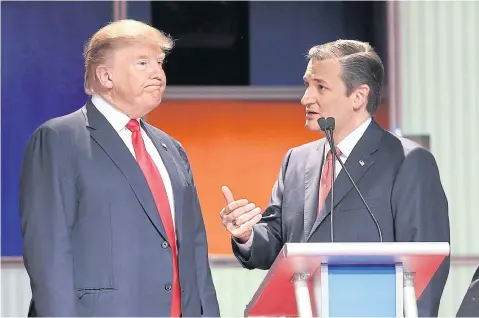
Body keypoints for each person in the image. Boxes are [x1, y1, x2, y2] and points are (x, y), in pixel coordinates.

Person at [219, 39, 450, 317]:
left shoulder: (408, 161)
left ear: (358, 96)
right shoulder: (297, 160)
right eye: (307, 84)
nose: (306, 98)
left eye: (320, 87)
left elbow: (426, 271)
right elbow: (273, 244)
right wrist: (245, 235)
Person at [19, 19, 219, 317]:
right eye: (142, 62)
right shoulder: (59, 139)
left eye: (160, 63)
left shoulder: (172, 149)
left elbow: (194, 250)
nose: (157, 73)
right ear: (105, 76)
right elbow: (48, 254)